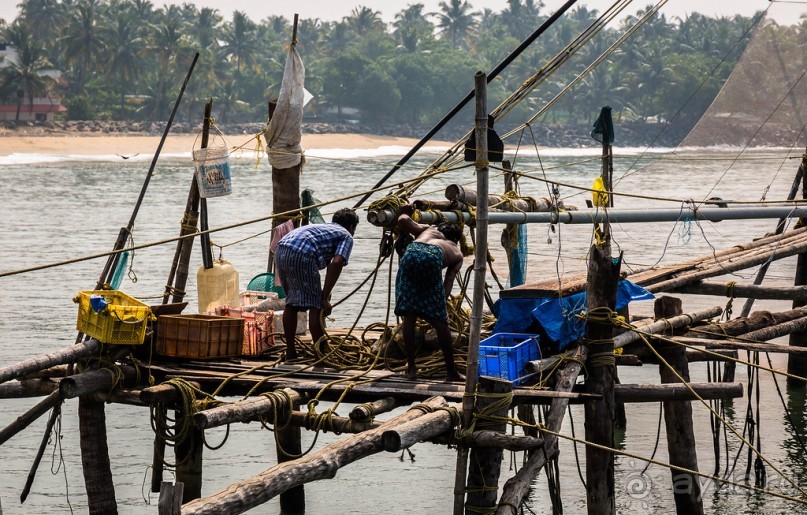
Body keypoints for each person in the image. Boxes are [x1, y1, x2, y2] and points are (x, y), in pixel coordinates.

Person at [275, 207, 359, 361]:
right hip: (303, 253)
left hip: (281, 248)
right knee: (316, 305)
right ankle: (320, 355)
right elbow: (336, 263)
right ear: (352, 227)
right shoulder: (346, 235)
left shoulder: (324, 228)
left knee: (292, 302)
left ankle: (291, 353)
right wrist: (325, 297)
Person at [395, 213, 464, 381]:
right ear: (455, 240)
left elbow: (403, 220)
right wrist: (441, 306)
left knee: (409, 316)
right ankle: (451, 372)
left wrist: (406, 210)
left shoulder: (428, 230)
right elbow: (448, 281)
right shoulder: (456, 252)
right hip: (433, 257)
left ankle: (411, 369)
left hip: (412, 252)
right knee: (440, 322)